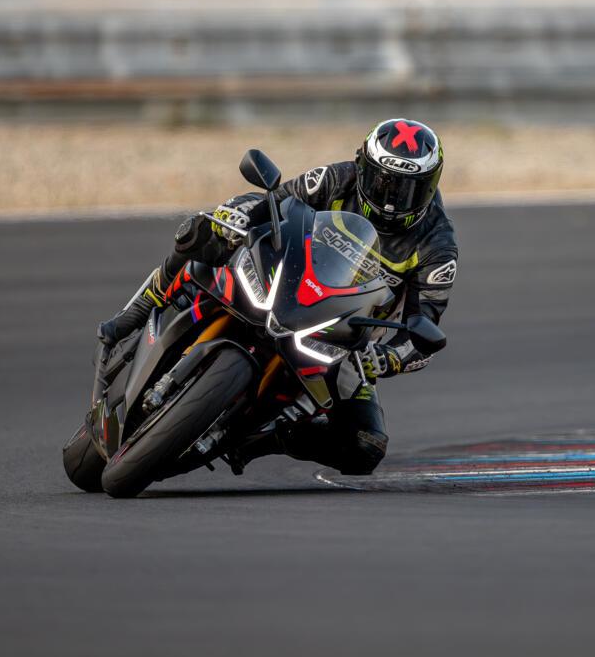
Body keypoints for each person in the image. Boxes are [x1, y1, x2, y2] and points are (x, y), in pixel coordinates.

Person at [94, 118, 458, 475]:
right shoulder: (337, 178)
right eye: (383, 183)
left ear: (430, 187)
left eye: (408, 189)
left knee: (366, 446)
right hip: (282, 280)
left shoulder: (437, 246)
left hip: (345, 339)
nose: (391, 200)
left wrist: (388, 358)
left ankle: (263, 439)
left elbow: (422, 329)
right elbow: (277, 200)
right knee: (202, 233)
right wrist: (238, 214)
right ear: (363, 168)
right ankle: (138, 311)